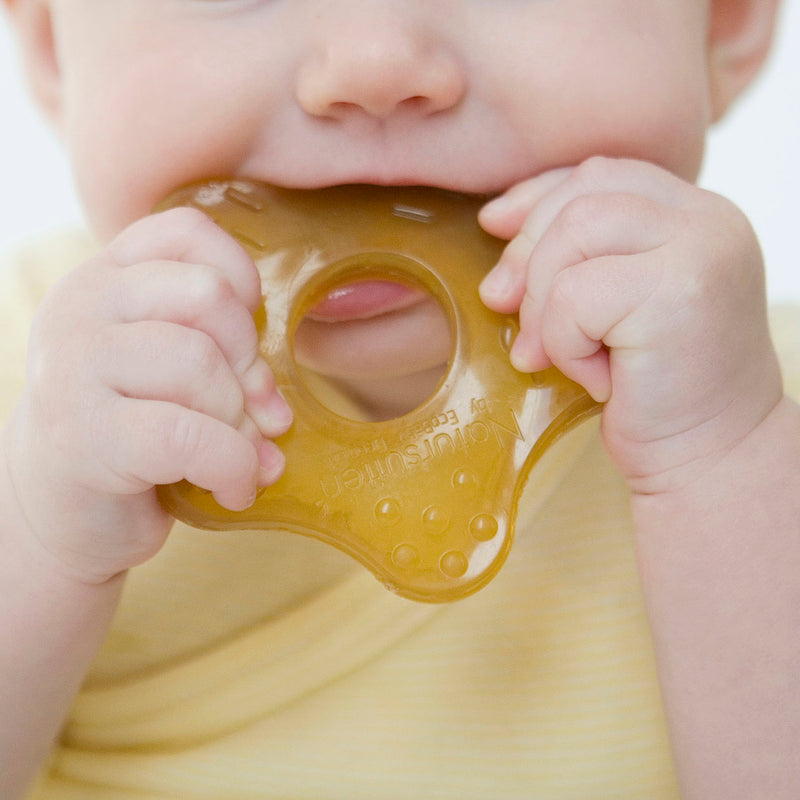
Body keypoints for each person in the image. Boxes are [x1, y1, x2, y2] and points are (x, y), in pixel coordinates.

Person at [1, 0, 798, 797]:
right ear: (50, 51)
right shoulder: (30, 384)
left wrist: (724, 453)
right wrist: (42, 536)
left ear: (724, 21)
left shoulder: (770, 396)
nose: (373, 66)